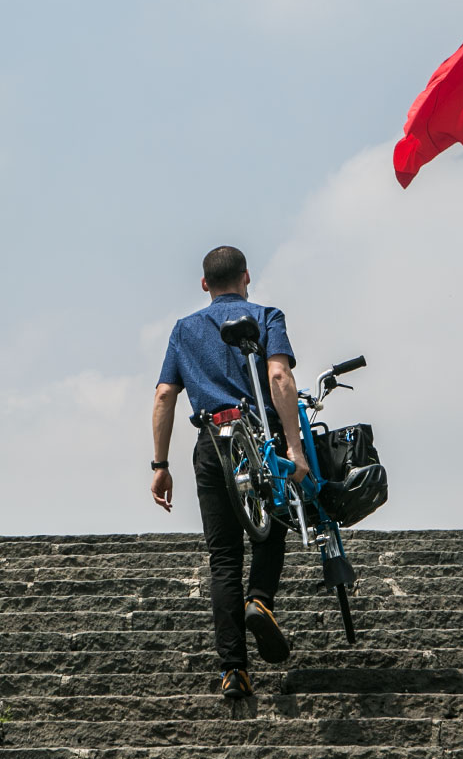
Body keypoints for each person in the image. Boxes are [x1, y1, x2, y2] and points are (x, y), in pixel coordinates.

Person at [151, 246, 309, 700]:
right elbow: (279, 378)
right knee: (271, 527)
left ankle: (233, 671)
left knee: (223, 559)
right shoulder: (267, 315)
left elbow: (164, 395)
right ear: (247, 277)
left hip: (210, 444)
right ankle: (260, 600)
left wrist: (160, 466)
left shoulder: (184, 330)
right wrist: (294, 449)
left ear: (204, 285)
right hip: (260, 436)